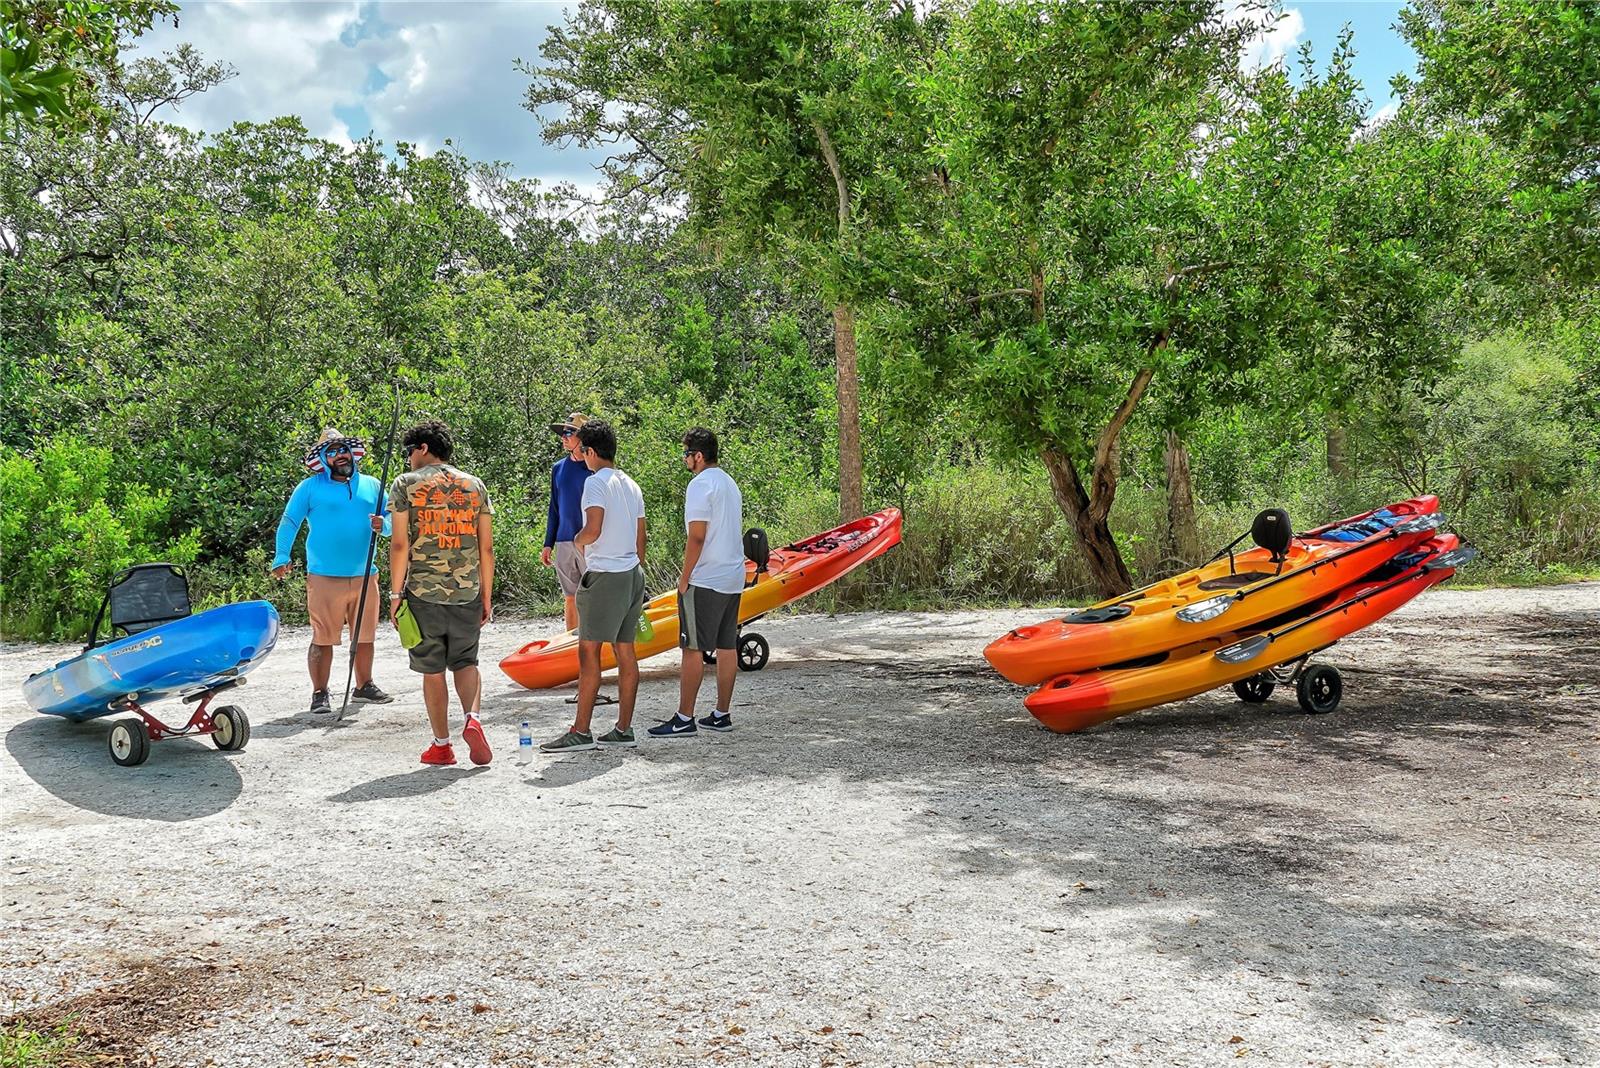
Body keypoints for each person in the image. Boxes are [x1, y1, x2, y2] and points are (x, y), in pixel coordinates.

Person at [387, 421, 495, 767]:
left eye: (409, 451)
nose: (408, 459)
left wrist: (394, 595)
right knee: (466, 662)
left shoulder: (405, 484)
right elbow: (486, 547)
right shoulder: (474, 485)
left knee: (432, 670)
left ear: (422, 448)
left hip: (423, 593)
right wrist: (486, 596)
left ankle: (442, 745)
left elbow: (400, 544)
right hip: (468, 592)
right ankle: (473, 719)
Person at [540, 419, 645, 753]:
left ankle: (581, 731)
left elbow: (593, 529)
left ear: (592, 451)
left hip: (605, 576)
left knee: (588, 652)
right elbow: (641, 538)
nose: (581, 455)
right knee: (625, 651)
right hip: (632, 573)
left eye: (583, 449)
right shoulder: (631, 484)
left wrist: (578, 541)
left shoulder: (595, 483)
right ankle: (623, 729)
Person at [271, 427, 393, 716]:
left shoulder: (373, 486)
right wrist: (281, 555)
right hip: (324, 576)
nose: (340, 455)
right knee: (323, 637)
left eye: (343, 449)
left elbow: (392, 519)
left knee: (365, 635)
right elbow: (290, 521)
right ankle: (320, 693)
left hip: (365, 574)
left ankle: (364, 686)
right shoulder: (309, 487)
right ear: (323, 459)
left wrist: (384, 525)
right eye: (332, 451)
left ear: (352, 453)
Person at [650, 427, 745, 739]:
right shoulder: (729, 483)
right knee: (726, 645)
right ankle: (721, 713)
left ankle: (684, 718)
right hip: (732, 576)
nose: (684, 459)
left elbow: (697, 536)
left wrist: (684, 577)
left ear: (699, 456)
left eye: (686, 453)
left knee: (691, 647)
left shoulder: (699, 484)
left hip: (706, 578)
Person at [541, 412, 594, 632]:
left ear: (582, 437)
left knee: (592, 596)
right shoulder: (558, 468)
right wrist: (548, 543)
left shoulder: (594, 467)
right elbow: (554, 507)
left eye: (569, 433)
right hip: (563, 541)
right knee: (570, 597)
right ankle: (571, 643)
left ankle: (596, 643)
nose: (563, 437)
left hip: (590, 540)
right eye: (562, 433)